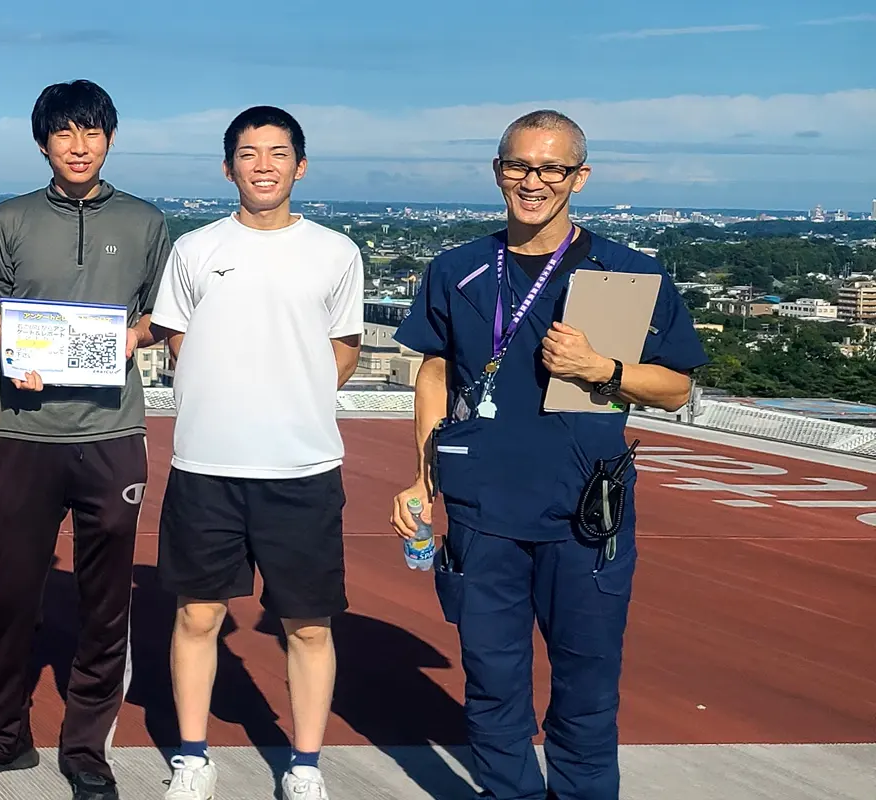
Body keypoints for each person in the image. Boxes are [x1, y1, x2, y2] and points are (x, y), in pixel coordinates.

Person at [390, 110, 702, 800]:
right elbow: (435, 371)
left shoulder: (628, 273)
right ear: (498, 171)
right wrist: (422, 477)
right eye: (518, 166)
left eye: (551, 168)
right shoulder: (457, 270)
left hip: (586, 517)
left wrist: (602, 368)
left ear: (579, 178)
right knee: (493, 689)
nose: (533, 182)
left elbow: (676, 387)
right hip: (482, 514)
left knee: (586, 693)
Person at [0, 79, 169, 800]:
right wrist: (12, 351)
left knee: (106, 603)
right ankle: (2, 736)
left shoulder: (146, 221)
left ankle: (86, 750)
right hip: (26, 429)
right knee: (13, 595)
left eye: (92, 132)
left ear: (109, 139)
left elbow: (159, 316)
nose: (79, 146)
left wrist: (125, 340)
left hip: (114, 432)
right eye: (64, 133)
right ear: (43, 141)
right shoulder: (10, 217)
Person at [149, 106, 362, 800]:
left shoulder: (336, 252)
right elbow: (178, 339)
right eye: (248, 153)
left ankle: (305, 766)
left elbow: (344, 350)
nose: (263, 165)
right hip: (206, 467)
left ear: (300, 166)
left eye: (277, 153)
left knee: (308, 626)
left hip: (302, 469)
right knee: (197, 616)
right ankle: (192, 757)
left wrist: (289, 397)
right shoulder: (194, 248)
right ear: (227, 168)